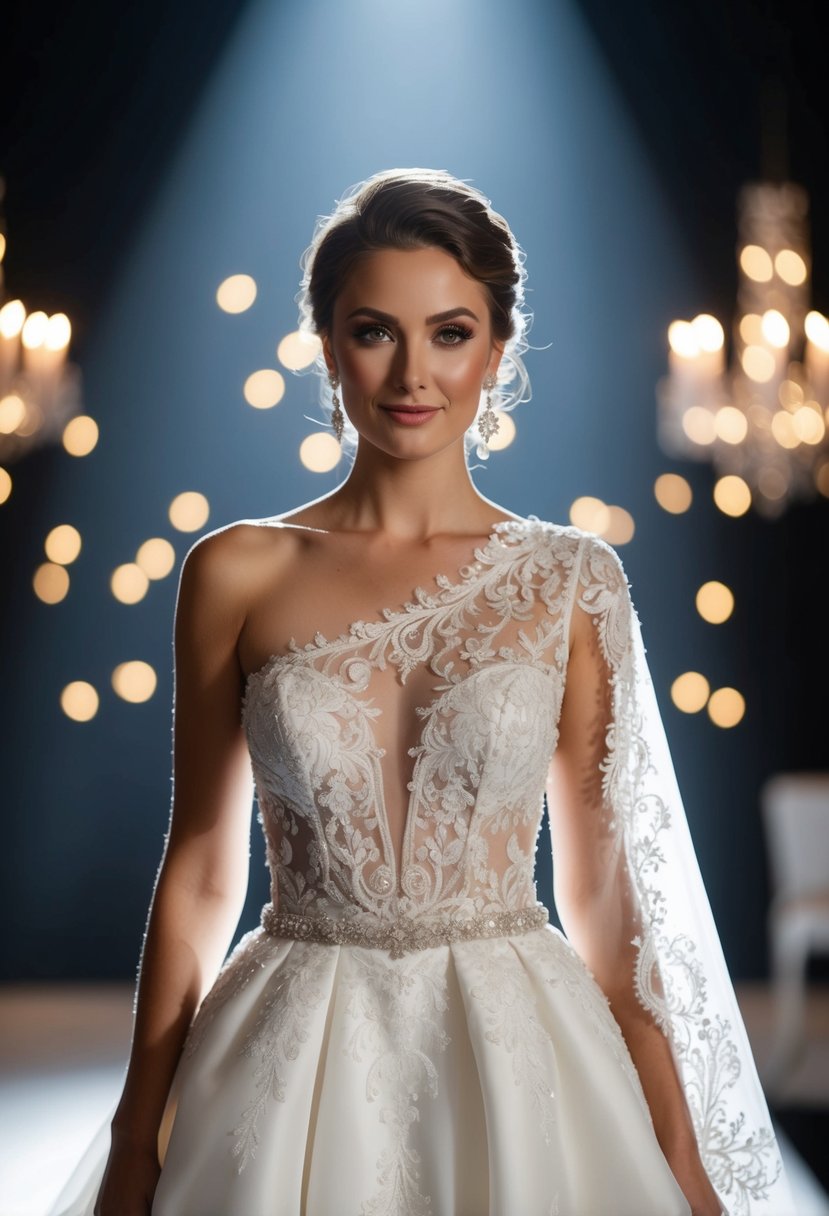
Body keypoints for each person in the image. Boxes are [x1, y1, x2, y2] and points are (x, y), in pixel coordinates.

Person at [51, 168, 792, 1216]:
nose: (412, 372)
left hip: (517, 1049)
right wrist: (137, 1138)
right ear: (327, 345)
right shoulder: (237, 570)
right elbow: (203, 871)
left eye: (449, 332)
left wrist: (681, 1160)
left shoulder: (570, 581)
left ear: (495, 350)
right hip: (290, 1049)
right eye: (374, 330)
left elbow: (604, 904)